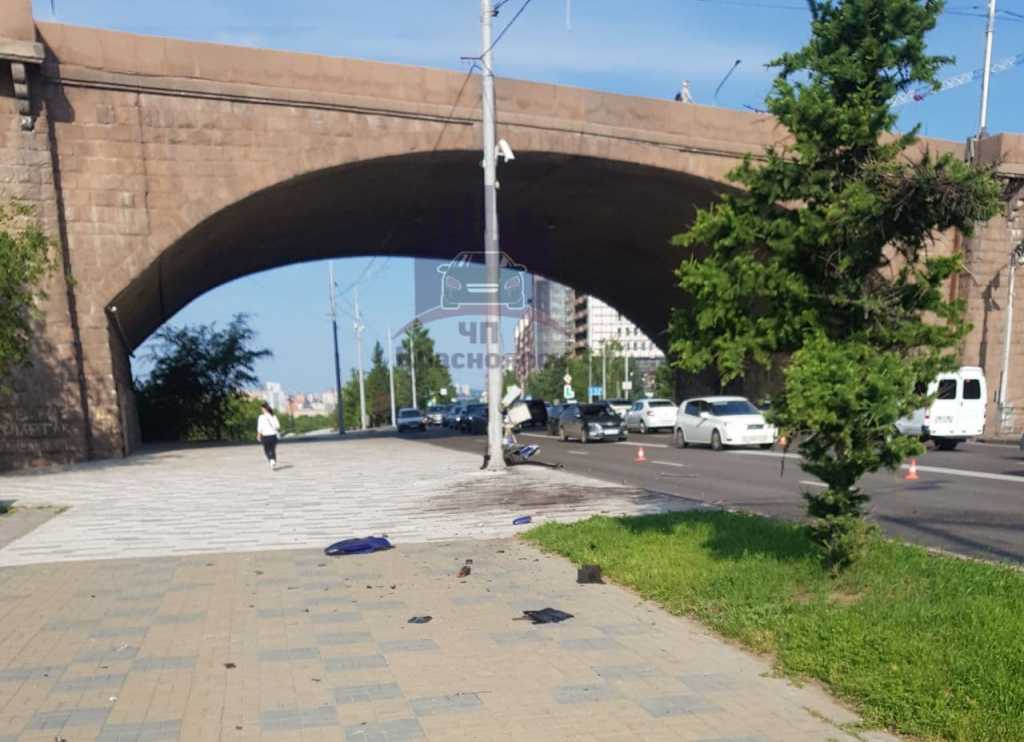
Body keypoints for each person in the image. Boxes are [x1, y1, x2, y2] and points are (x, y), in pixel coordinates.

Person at [256, 402, 281, 470]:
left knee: (266, 450)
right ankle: (273, 460)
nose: (261, 410)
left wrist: (258, 435)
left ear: (265, 409)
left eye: (262, 409)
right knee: (272, 449)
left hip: (265, 436)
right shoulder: (274, 416)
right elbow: (278, 426)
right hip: (273, 436)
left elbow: (259, 428)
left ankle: (271, 460)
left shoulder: (261, 417)